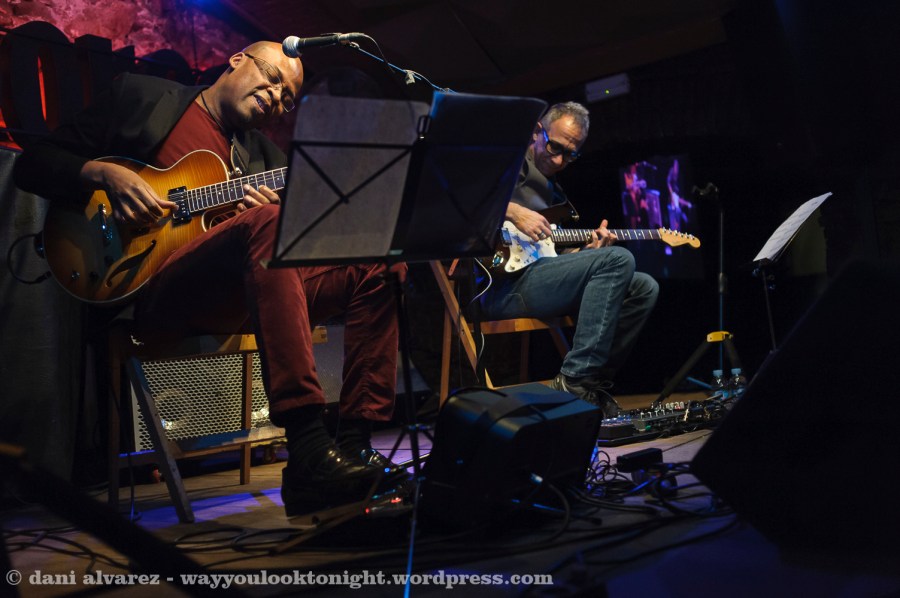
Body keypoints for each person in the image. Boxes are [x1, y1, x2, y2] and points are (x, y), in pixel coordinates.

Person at [13, 41, 405, 518]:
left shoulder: (264, 157)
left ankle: (355, 444)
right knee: (265, 224)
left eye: (286, 99)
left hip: (240, 297)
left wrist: (283, 220)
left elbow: (288, 246)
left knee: (382, 264)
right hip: (148, 288)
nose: (276, 97)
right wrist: (102, 174)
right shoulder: (142, 98)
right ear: (237, 58)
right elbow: (34, 163)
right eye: (273, 79)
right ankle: (306, 444)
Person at [480, 102, 659, 417]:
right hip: (501, 288)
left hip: (540, 280)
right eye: (555, 147)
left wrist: (589, 254)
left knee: (644, 287)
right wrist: (515, 211)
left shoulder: (555, 194)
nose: (559, 160)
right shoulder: (503, 162)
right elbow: (457, 202)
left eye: (570, 155)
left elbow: (553, 255)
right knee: (618, 259)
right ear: (537, 131)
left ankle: (591, 382)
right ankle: (573, 382)